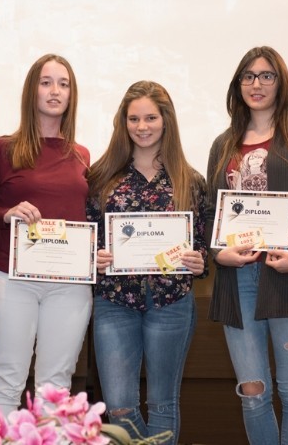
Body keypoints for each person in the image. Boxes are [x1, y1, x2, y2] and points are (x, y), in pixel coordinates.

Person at [205, 46, 288, 445]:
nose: (256, 84)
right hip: (237, 279)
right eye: (248, 76)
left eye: (266, 76)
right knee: (253, 393)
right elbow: (211, 213)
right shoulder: (223, 144)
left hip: (287, 276)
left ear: (281, 82)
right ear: (237, 84)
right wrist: (217, 253)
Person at [87, 81, 208, 444]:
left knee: (162, 403)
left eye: (151, 117)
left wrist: (199, 261)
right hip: (113, 303)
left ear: (166, 120)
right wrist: (94, 259)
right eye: (134, 118)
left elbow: (202, 244)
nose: (142, 126)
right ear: (122, 123)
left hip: (171, 304)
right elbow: (87, 239)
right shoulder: (100, 178)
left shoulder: (191, 180)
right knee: (119, 406)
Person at [0, 54, 92, 414]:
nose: (55, 91)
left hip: (70, 284)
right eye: (46, 82)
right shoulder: (2, 148)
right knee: (5, 382)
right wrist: (6, 213)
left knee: (55, 389)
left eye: (63, 84)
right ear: (32, 91)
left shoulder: (82, 155)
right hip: (12, 279)